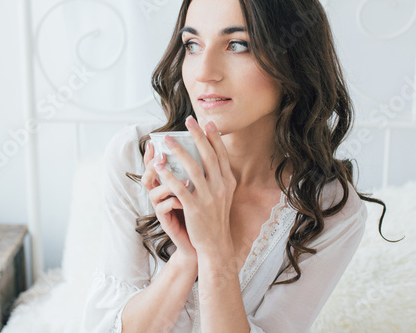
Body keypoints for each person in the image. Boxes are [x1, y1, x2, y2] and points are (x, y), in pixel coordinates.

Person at [80, 0, 388, 332]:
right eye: (192, 45)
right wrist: (186, 260)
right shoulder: (137, 156)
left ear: (294, 60)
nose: (203, 73)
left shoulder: (328, 210)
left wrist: (214, 250)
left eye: (237, 45)